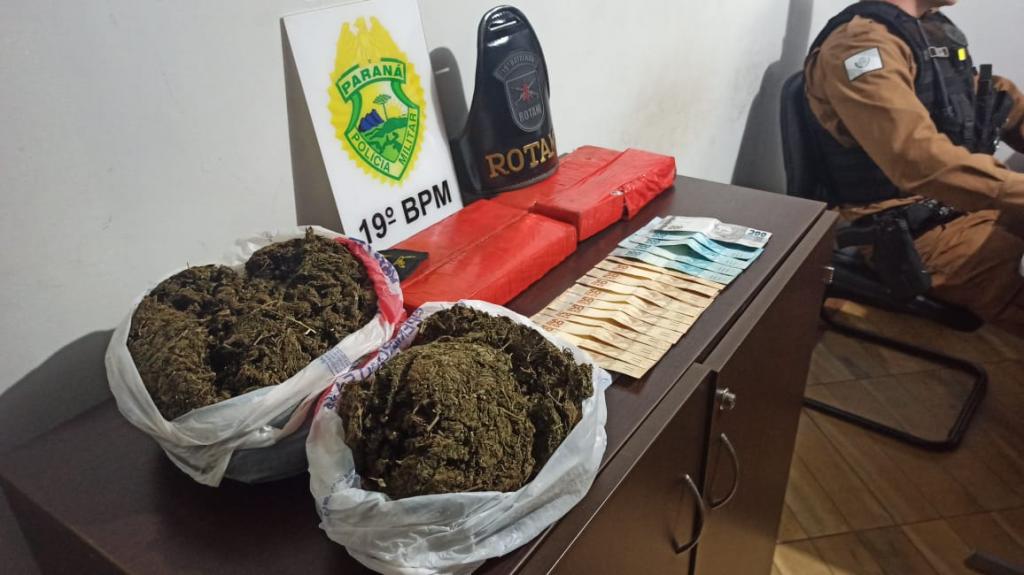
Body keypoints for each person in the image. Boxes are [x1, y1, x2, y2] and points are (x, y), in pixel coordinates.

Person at [804, 0, 1024, 336]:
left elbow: (988, 99)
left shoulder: (928, 28)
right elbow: (919, 162)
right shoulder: (860, 46)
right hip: (911, 228)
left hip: (961, 204)